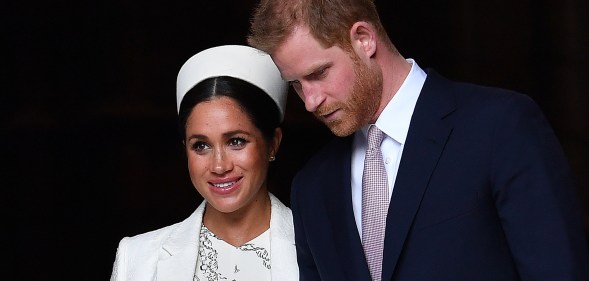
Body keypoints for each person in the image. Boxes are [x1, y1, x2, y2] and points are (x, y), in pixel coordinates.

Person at [247, 0, 589, 280]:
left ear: (364, 38)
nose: (309, 101)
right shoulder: (311, 188)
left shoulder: (500, 127)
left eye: (318, 73)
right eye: (295, 84)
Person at [110, 45, 298, 281]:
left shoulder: (321, 246)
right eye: (201, 145)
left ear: (273, 143)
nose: (219, 166)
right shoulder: (139, 258)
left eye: (236, 141)